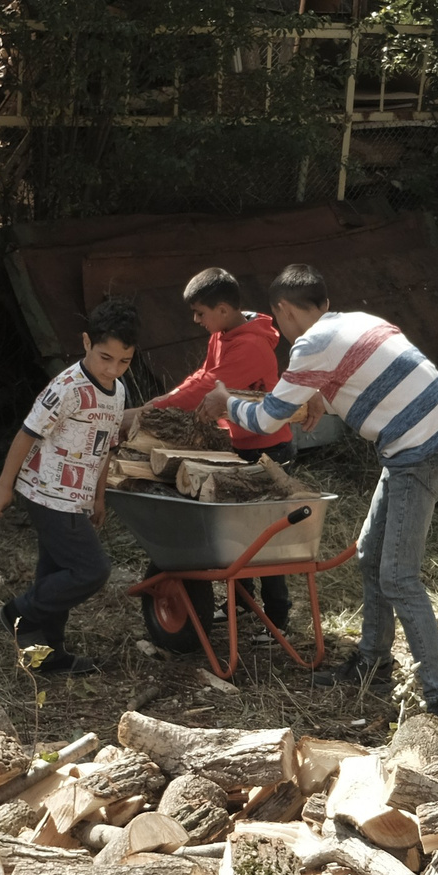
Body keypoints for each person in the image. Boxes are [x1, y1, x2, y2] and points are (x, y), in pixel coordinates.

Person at [203, 264, 438, 723]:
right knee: (369, 554)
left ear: (283, 310)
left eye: (279, 320)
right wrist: (319, 395)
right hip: (429, 439)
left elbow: (266, 420)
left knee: (398, 576)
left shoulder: (310, 345)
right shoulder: (358, 321)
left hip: (420, 450)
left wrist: (226, 402)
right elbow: (363, 376)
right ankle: (373, 662)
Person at [0, 297, 141, 676]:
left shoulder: (118, 391)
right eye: (105, 358)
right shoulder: (67, 387)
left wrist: (98, 497)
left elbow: (106, 447)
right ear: (87, 342)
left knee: (55, 570)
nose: (113, 369)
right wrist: (4, 486)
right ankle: (19, 612)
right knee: (92, 571)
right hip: (48, 495)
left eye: (124, 361)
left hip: (78, 498)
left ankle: (47, 655)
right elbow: (27, 434)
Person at [150, 267, 298, 630]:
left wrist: (151, 410)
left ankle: (276, 616)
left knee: (264, 536)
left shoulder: (249, 346)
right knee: (236, 534)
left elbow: (206, 391)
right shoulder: (223, 333)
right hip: (239, 445)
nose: (196, 320)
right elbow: (202, 376)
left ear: (223, 309)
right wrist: (161, 400)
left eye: (200, 312)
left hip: (268, 450)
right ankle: (243, 604)